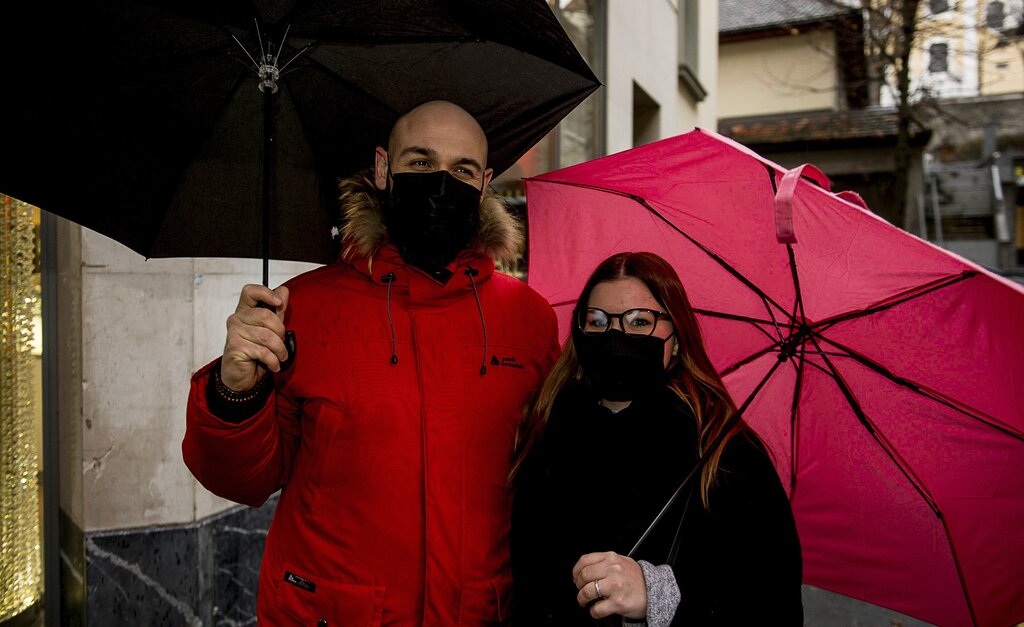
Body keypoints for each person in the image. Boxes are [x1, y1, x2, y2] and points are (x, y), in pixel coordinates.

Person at [182, 100, 560, 626]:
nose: (441, 182)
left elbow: (550, 475)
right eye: (421, 162)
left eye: (462, 169)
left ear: (486, 181)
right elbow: (243, 481)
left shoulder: (530, 319)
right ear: (384, 168)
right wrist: (235, 390)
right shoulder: (301, 308)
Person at [509, 251, 803, 626]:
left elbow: (772, 602)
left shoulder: (723, 453)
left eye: (640, 321)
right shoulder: (544, 431)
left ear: (677, 340)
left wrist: (659, 594)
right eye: (597, 321)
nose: (616, 336)